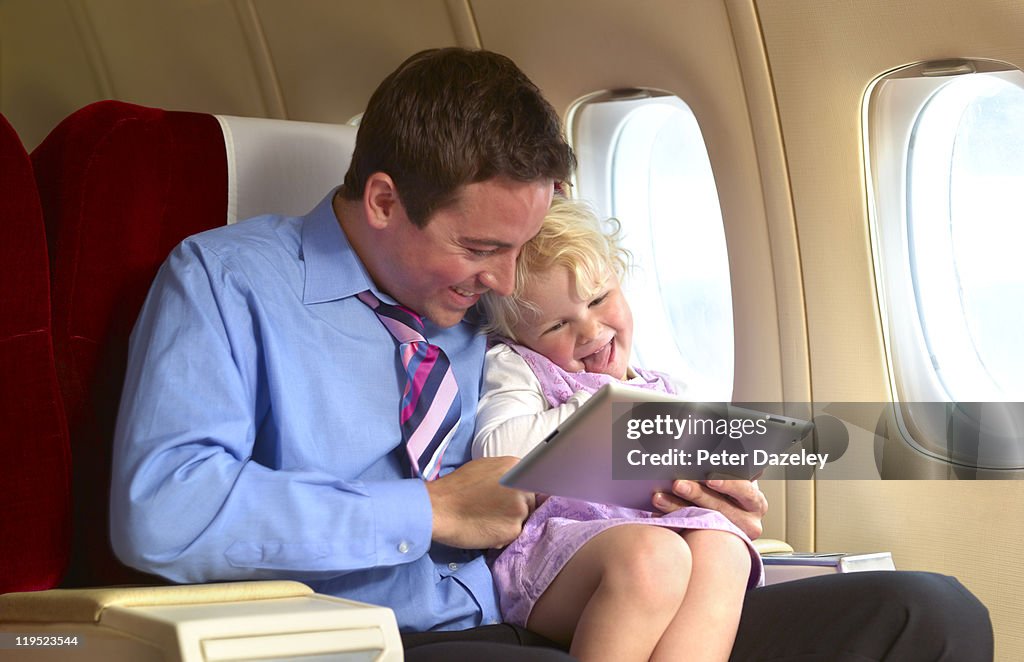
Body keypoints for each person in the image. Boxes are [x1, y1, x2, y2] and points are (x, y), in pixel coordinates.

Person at [109, 46, 994, 662]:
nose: (504, 280)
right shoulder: (226, 283)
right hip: (387, 634)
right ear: (382, 200)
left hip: (574, 598)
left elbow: (564, 436)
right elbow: (163, 512)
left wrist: (683, 483)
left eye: (519, 249)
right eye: (480, 249)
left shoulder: (503, 312)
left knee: (927, 614)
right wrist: (429, 513)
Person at [474, 196, 760, 661]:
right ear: (519, 337)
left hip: (662, 533)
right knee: (656, 559)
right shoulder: (518, 366)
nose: (588, 331)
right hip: (557, 556)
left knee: (724, 546)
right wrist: (605, 406)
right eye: (557, 325)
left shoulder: (669, 389)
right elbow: (497, 449)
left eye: (598, 299)